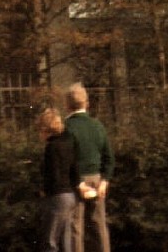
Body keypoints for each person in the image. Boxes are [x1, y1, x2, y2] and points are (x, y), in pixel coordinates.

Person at [65, 83, 114, 252]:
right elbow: (109, 157)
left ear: (67, 105)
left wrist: (78, 182)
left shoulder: (67, 127)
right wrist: (104, 181)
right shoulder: (97, 126)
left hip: (75, 181)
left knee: (75, 228)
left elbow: (66, 160)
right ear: (87, 103)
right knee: (99, 225)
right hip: (96, 179)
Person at [37, 108, 79, 252]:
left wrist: (44, 190)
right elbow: (75, 169)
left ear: (46, 130)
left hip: (57, 196)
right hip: (70, 196)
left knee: (50, 240)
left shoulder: (51, 148)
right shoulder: (68, 143)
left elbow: (53, 174)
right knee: (66, 239)